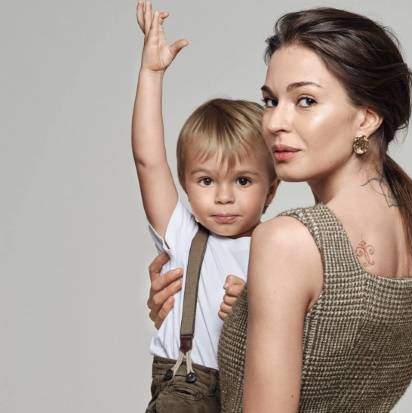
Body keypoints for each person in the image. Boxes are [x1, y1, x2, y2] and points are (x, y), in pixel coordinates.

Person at [148, 6, 412, 413]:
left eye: (305, 100)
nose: (275, 121)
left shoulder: (289, 241)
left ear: (366, 119)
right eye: (271, 100)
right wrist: (199, 309)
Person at [132, 2, 278, 411]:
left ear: (271, 189)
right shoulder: (182, 233)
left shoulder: (279, 247)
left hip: (254, 390)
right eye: (206, 181)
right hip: (188, 386)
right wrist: (151, 74)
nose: (223, 196)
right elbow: (148, 160)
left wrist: (255, 310)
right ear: (186, 186)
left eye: (243, 181)